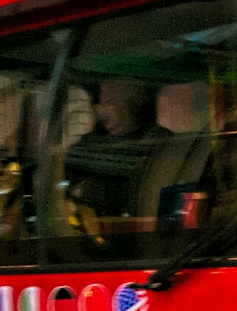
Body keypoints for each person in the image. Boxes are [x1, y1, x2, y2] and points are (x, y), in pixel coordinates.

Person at [64, 79, 171, 219]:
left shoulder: (161, 144)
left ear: (137, 103)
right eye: (100, 101)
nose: (102, 111)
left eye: (111, 102)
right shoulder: (91, 145)